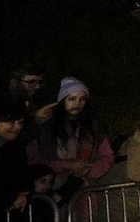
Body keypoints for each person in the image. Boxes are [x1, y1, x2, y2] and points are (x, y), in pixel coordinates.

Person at [28, 78, 114, 206]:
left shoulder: (93, 127)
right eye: (72, 99)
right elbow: (33, 158)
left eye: (82, 99)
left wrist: (90, 169)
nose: (77, 103)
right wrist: (65, 165)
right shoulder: (45, 127)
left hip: (83, 190)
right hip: (50, 189)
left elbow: (106, 155)